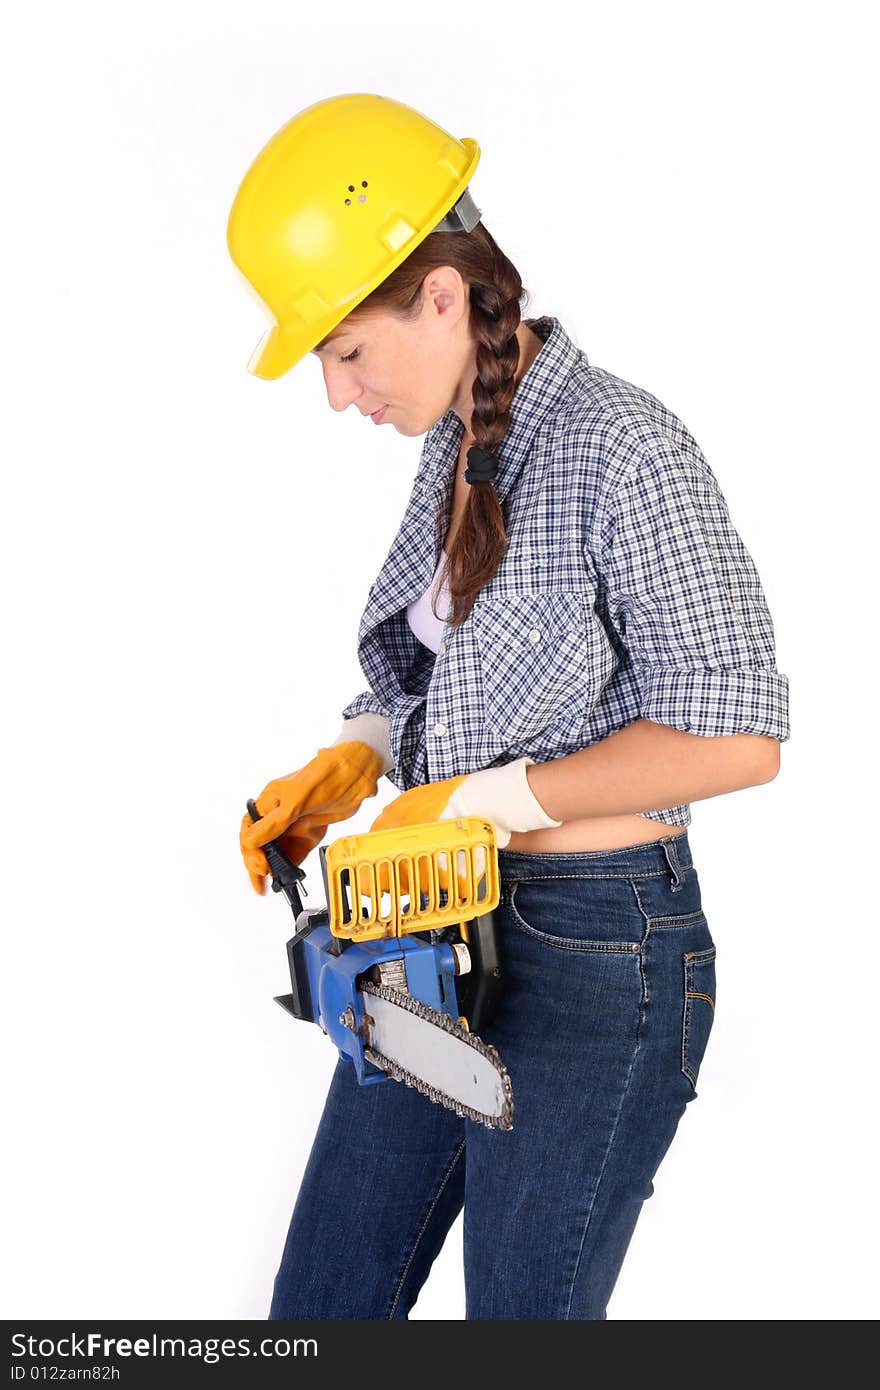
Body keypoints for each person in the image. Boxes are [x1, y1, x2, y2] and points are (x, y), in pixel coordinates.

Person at [229, 93, 789, 1320]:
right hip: (443, 928)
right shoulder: (462, 435)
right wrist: (358, 753)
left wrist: (480, 797)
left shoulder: (623, 448)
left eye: (346, 352)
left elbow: (739, 734)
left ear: (437, 295)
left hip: (598, 952)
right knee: (319, 1314)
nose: (337, 395)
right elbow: (451, 665)